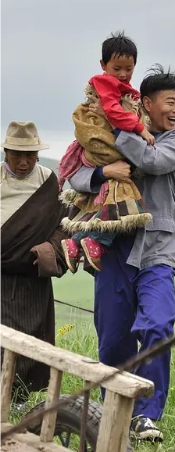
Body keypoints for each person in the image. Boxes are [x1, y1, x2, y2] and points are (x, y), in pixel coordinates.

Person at [68, 66, 175, 442]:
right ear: (146, 102)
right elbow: (75, 174)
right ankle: (115, 415)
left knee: (158, 325)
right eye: (170, 102)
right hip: (114, 248)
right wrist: (104, 170)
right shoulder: (119, 135)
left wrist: (119, 128)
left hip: (158, 249)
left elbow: (151, 162)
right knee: (113, 339)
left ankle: (146, 414)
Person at [59, 31, 154, 273]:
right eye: (117, 68)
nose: (123, 74)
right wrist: (140, 128)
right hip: (105, 150)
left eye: (129, 68)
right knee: (119, 208)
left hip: (108, 158)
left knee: (105, 209)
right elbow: (112, 113)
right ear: (103, 65)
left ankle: (76, 241)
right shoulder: (106, 85)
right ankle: (94, 242)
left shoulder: (124, 90)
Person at [0, 121, 68, 403]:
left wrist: (49, 250)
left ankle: (18, 402)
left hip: (32, 277)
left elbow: (66, 224)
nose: (24, 162)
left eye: (30, 155)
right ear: (6, 152)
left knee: (29, 338)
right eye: (17, 155)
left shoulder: (50, 182)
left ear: (38, 154)